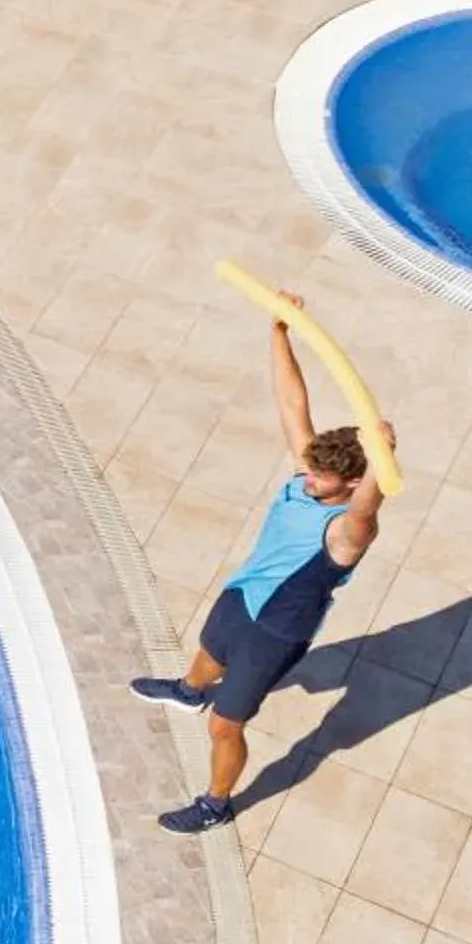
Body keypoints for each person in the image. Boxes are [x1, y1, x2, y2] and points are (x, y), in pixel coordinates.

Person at [128, 291, 390, 835]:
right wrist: (280, 332)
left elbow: (368, 505)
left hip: (277, 632)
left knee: (226, 725)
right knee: (206, 654)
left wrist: (382, 465)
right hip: (242, 597)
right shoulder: (309, 477)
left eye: (322, 477)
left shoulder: (344, 531)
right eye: (311, 469)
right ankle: (189, 691)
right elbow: (292, 405)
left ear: (351, 484)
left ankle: (216, 803)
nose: (307, 477)